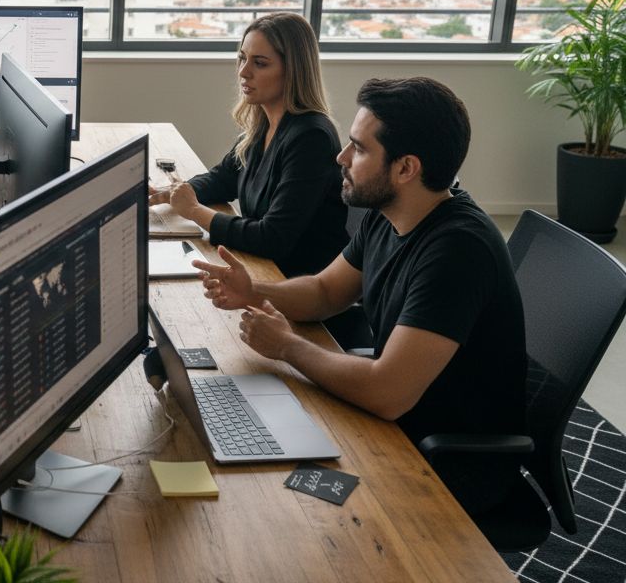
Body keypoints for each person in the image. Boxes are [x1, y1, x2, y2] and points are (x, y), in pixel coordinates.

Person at [194, 77, 527, 513]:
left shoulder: (457, 252)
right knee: (244, 444)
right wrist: (253, 290)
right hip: (398, 417)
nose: (341, 157)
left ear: (406, 168)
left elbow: (389, 393)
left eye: (359, 148)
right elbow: (325, 291)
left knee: (263, 503)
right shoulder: (390, 211)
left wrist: (287, 346)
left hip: (440, 459)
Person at [149, 12, 347, 277]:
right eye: (243, 58)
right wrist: (167, 193)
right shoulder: (263, 123)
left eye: (260, 63)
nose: (243, 72)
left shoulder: (312, 138)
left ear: (293, 71)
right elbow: (223, 179)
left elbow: (272, 238)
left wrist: (195, 211)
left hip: (295, 289)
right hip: (262, 271)